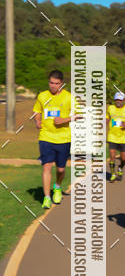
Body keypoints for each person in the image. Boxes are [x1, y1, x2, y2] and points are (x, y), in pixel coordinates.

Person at [33, 70, 72, 209]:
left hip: (63, 138)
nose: (53, 86)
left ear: (61, 84)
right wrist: (37, 121)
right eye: (51, 83)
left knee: (61, 170)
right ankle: (47, 197)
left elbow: (79, 115)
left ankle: (57, 187)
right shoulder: (43, 96)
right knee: (47, 167)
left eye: (56, 83)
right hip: (46, 137)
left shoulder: (68, 97)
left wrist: (64, 119)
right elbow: (37, 111)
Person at [106, 91, 125, 182]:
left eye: (120, 100)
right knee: (112, 156)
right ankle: (113, 174)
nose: (118, 101)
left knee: (124, 159)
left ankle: (120, 168)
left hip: (123, 138)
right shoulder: (110, 108)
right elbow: (107, 118)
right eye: (116, 100)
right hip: (112, 137)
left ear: (124, 100)